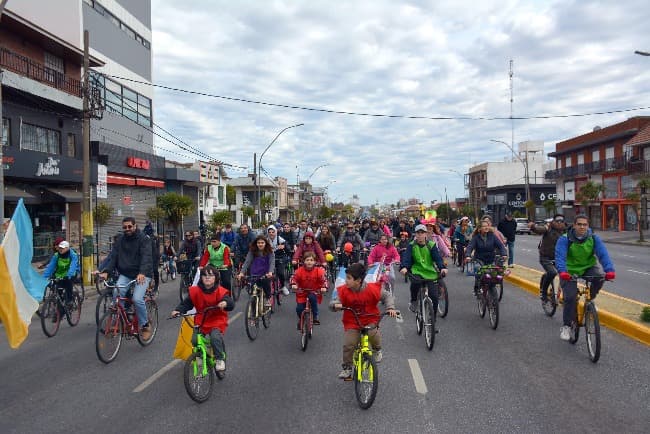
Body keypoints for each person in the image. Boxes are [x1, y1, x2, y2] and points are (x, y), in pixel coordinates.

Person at [330, 262, 397, 379]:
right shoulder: (344, 291)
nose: (346, 281)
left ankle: (377, 350)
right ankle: (347, 367)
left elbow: (387, 296)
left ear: (358, 280)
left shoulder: (372, 289)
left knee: (373, 334)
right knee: (349, 344)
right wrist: (335, 305)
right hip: (352, 321)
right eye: (346, 277)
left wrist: (390, 308)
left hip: (370, 319)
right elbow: (333, 302)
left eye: (349, 278)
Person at [555, 214, 615, 341]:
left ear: (588, 226)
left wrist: (609, 270)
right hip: (569, 270)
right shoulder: (565, 239)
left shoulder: (593, 238)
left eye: (585, 224)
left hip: (588, 267)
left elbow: (603, 254)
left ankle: (590, 300)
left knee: (599, 277)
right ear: (574, 225)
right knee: (570, 297)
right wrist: (562, 271)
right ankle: (566, 326)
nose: (582, 227)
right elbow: (560, 257)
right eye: (579, 224)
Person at [97, 217, 154, 340]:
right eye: (124, 227)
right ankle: (119, 320)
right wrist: (106, 271)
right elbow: (113, 257)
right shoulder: (120, 240)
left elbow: (147, 257)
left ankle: (145, 325)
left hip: (142, 274)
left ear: (135, 226)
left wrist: (142, 272)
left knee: (137, 299)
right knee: (117, 293)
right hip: (126, 274)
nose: (127, 229)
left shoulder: (144, 239)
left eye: (129, 226)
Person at [171, 265, 234, 372]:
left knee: (215, 338)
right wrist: (178, 310)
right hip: (201, 318)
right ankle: (200, 355)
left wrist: (225, 303)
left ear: (216, 278)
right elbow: (186, 304)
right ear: (201, 278)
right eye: (204, 275)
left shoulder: (220, 291)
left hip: (216, 319)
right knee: (194, 339)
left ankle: (219, 359)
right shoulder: (195, 291)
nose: (207, 277)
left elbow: (230, 303)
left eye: (210, 275)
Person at [399, 224, 448, 313]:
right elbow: (406, 258)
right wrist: (404, 267)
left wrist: (442, 268)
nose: (420, 235)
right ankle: (414, 301)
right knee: (415, 283)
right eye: (418, 233)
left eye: (422, 233)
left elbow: (438, 258)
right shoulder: (411, 245)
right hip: (416, 270)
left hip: (430, 272)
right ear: (415, 235)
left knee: (434, 296)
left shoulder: (431, 245)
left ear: (425, 234)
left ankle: (433, 320)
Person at [464, 219, 507, 296]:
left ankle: (492, 289)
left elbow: (501, 246)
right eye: (484, 226)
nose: (486, 227)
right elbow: (470, 247)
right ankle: (477, 287)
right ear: (479, 229)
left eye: (487, 226)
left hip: (491, 259)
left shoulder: (492, 236)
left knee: (493, 275)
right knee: (479, 274)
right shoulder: (476, 238)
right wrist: (468, 256)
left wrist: (504, 254)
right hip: (479, 259)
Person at [529, 214, 566, 302]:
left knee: (567, 274)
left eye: (561, 221)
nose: (559, 223)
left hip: (559, 257)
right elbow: (539, 230)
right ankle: (543, 292)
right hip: (545, 257)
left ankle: (566, 295)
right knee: (552, 273)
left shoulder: (566, 230)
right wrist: (533, 226)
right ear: (553, 221)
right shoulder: (548, 228)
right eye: (557, 221)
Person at [290, 251, 328, 328]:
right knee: (299, 309)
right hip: (302, 292)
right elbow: (293, 278)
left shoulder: (319, 271)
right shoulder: (299, 270)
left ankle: (315, 316)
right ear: (303, 261)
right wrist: (293, 284)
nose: (309, 262)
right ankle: (301, 319)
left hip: (314, 291)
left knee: (312, 298)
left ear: (315, 261)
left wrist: (324, 287)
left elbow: (324, 280)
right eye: (307, 260)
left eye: (311, 260)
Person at [238, 235, 275, 307]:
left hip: (266, 273)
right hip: (254, 273)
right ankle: (253, 314)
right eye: (258, 243)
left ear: (265, 243)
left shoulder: (270, 251)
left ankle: (268, 298)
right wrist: (241, 273)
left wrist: (270, 272)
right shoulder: (252, 251)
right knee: (253, 292)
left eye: (262, 243)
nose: (260, 244)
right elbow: (247, 262)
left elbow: (272, 262)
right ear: (256, 243)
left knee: (266, 284)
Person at [42, 240, 79, 306]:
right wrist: (44, 277)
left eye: (63, 248)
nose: (61, 249)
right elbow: (51, 266)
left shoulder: (73, 255)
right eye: (60, 248)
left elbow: (73, 265)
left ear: (67, 248)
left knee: (68, 283)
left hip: (70, 274)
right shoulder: (56, 255)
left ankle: (70, 300)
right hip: (59, 274)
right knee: (57, 290)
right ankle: (60, 308)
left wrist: (69, 275)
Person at [266, 225, 290, 295]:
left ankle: (283, 287)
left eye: (273, 232)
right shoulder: (266, 240)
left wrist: (284, 246)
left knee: (280, 273)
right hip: (270, 259)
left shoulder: (280, 239)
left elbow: (288, 248)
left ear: (275, 232)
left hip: (280, 257)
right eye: (269, 232)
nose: (271, 233)